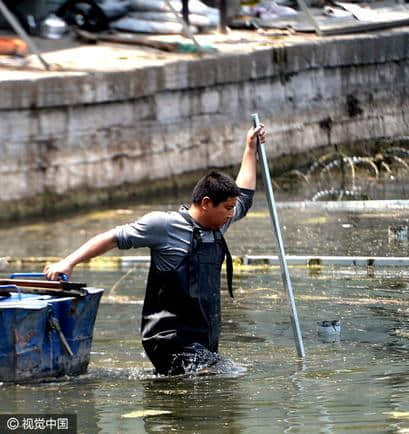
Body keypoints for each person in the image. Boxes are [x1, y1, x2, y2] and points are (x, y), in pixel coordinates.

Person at [44, 123, 266, 375]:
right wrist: (68, 262)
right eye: (227, 208)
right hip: (168, 339)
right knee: (226, 374)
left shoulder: (217, 226)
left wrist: (249, 148)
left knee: (212, 384)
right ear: (206, 203)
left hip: (203, 339)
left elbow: (245, 197)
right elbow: (113, 237)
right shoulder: (163, 225)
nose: (231, 214)